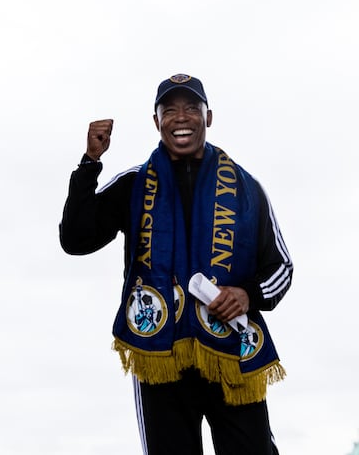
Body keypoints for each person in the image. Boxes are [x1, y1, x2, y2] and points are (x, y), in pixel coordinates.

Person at [59, 74, 292, 455]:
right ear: (156, 121)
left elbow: (281, 268)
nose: (180, 117)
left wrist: (248, 294)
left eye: (191, 108)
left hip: (232, 351)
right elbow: (75, 239)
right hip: (160, 355)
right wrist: (90, 162)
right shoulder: (133, 183)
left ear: (208, 117)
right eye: (170, 110)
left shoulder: (248, 188)